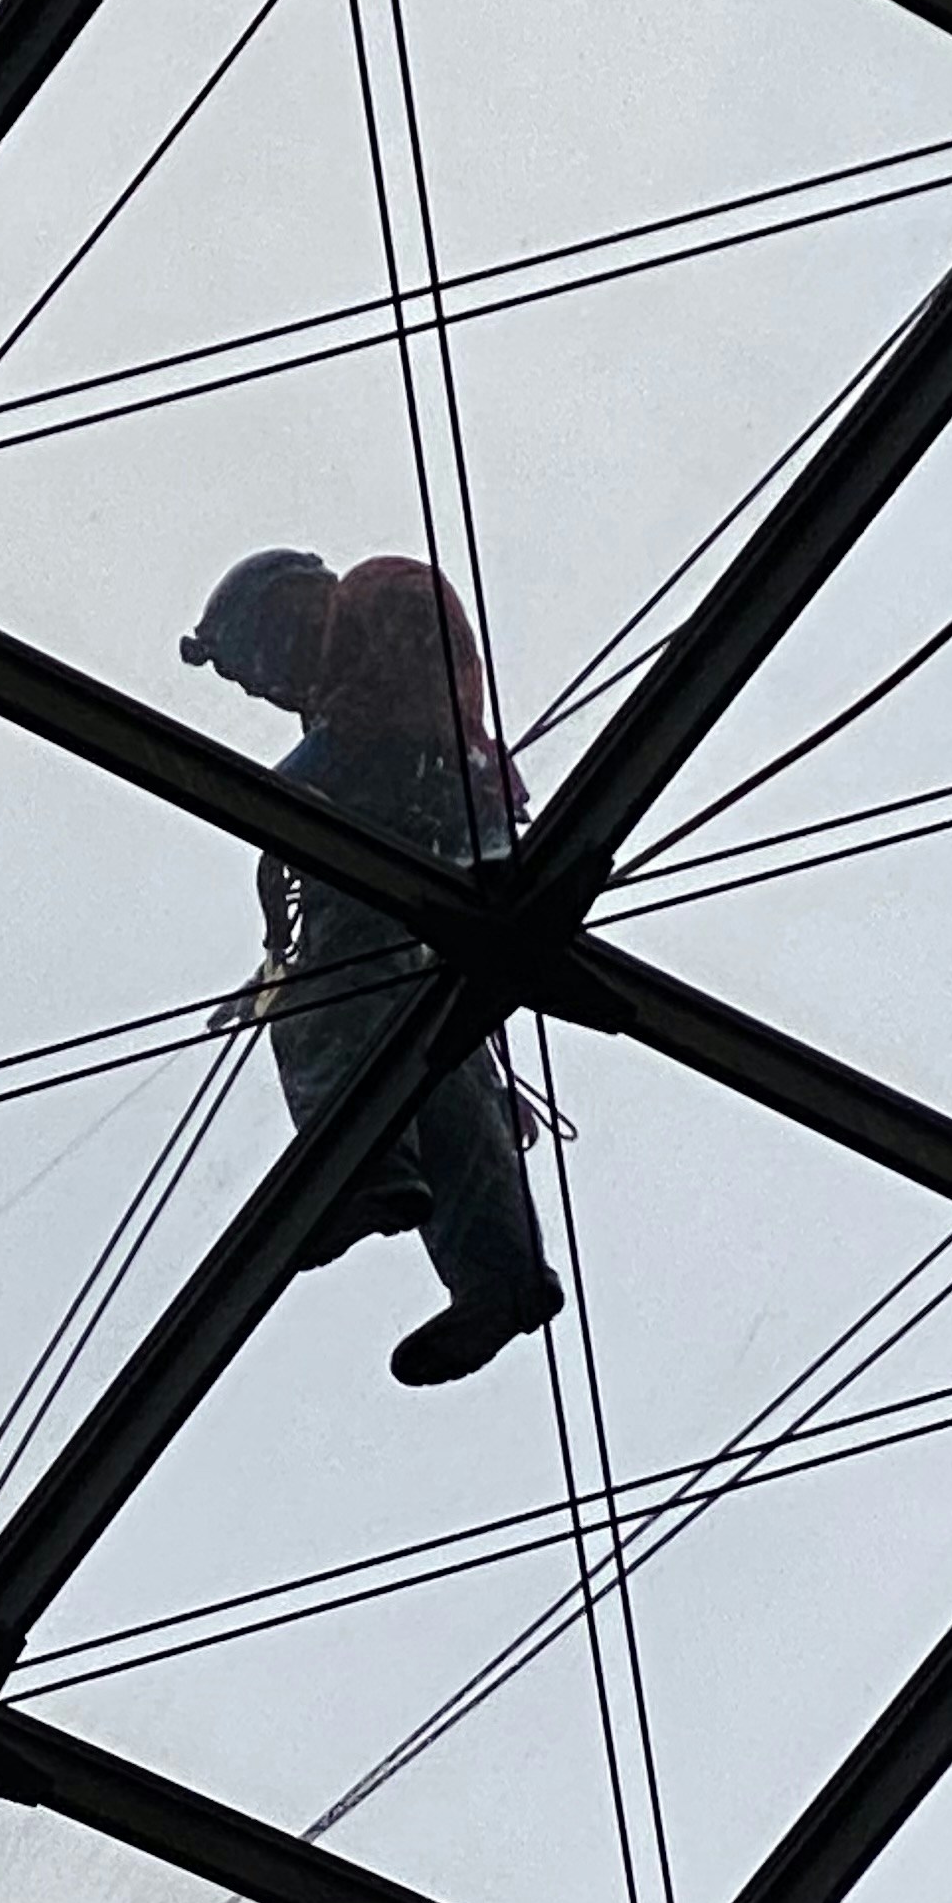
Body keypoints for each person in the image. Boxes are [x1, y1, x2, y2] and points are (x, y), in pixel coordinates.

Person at [182, 545, 563, 1387]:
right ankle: (498, 1274)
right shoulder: (347, 676)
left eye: (257, 662)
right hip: (437, 847)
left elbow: (391, 720)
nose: (268, 686)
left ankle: (364, 1162)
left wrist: (291, 800)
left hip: (417, 834)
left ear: (288, 607)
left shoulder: (378, 593)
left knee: (322, 1001)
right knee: (440, 1058)